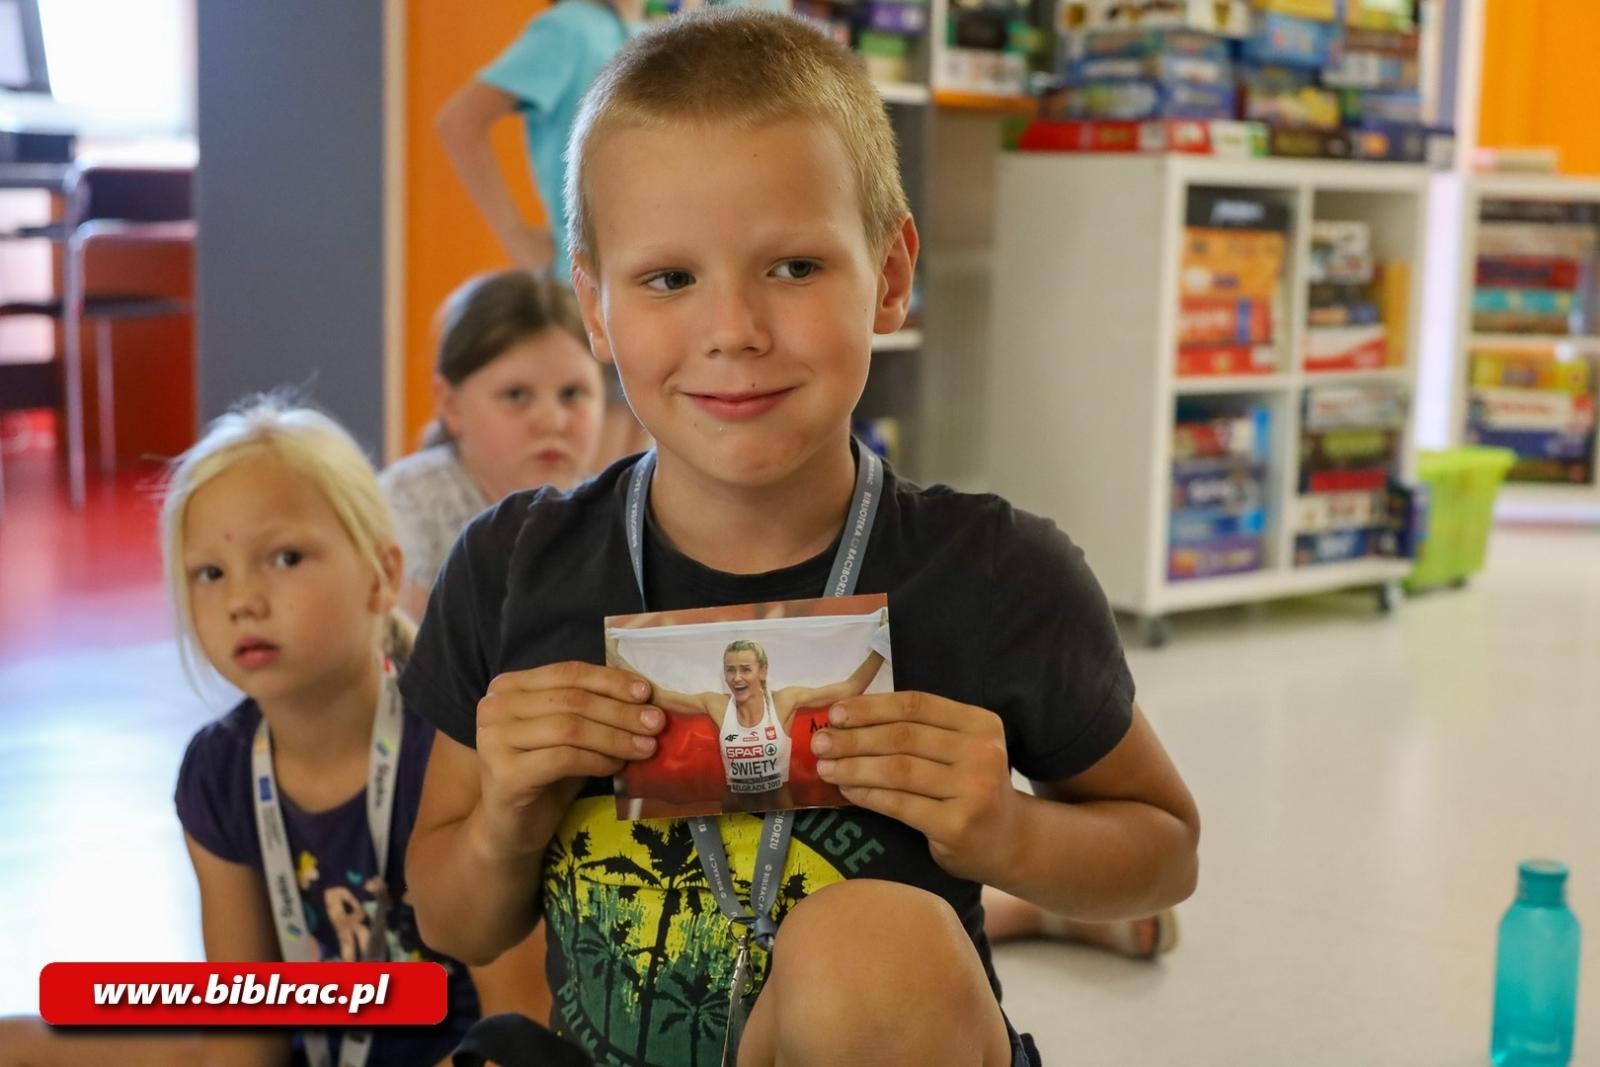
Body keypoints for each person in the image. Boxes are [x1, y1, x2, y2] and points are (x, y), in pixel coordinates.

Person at [401, 10, 1200, 1067]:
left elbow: (1163, 851)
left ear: (891, 270)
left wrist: (1012, 833)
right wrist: (506, 809)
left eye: (793, 266)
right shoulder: (512, 570)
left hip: (876, 1029)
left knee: (876, 947)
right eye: (668, 279)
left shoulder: (998, 575)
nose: (733, 329)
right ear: (594, 306)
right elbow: (451, 921)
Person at [0, 399, 546, 1067]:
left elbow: (520, 1028)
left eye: (285, 557)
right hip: (304, 1046)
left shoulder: (450, 749)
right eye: (211, 573)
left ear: (381, 576)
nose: (243, 600)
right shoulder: (218, 769)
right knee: (15, 1043)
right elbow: (246, 1028)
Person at [381, 271, 605, 621]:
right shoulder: (407, 503)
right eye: (516, 395)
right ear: (451, 406)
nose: (552, 421)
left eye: (572, 394)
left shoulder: (610, 507)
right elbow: (407, 656)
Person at [611, 634, 887, 808]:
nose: (737, 677)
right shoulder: (717, 705)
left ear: (762, 671)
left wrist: (882, 642)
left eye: (745, 669)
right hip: (733, 814)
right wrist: (613, 655)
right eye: (730, 670)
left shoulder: (785, 702)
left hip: (782, 812)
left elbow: (851, 686)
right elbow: (657, 695)